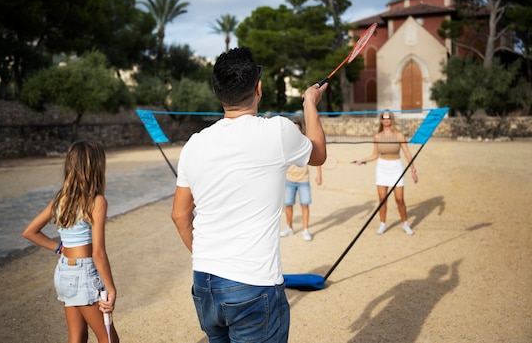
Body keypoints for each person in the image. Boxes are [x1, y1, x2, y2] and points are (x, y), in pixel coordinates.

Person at [171, 46, 327, 343]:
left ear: (218, 91)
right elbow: (318, 154)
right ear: (259, 87)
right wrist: (310, 104)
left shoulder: (194, 144)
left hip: (204, 282)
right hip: (253, 284)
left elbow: (179, 215)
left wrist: (208, 258)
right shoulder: (277, 131)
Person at [23, 140, 119, 343]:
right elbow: (98, 253)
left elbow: (30, 232)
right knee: (109, 339)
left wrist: (60, 248)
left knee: (77, 338)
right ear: (95, 167)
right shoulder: (97, 202)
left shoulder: (61, 200)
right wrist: (111, 289)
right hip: (84, 274)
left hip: (64, 272)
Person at [354, 111, 418, 235]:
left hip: (396, 167)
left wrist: (413, 170)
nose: (386, 119)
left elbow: (407, 153)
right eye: (384, 117)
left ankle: (405, 224)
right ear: (381, 120)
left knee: (399, 199)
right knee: (382, 199)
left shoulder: (399, 135)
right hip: (382, 168)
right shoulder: (377, 137)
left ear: (392, 120)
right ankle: (382, 224)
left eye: (389, 117)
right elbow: (374, 155)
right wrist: (363, 160)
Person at [280, 120, 323, 241]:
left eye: (298, 129)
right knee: (288, 204)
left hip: (304, 179)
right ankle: (289, 227)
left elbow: (316, 157)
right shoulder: (284, 144)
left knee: (305, 204)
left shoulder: (306, 143)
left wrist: (319, 174)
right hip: (289, 179)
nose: (296, 131)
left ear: (301, 130)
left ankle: (305, 229)